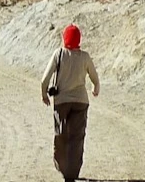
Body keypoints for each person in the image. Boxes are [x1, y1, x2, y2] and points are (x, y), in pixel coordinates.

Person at [40, 24, 100, 182]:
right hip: (81, 101)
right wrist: (95, 89)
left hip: (61, 102)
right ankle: (72, 174)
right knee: (77, 137)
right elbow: (95, 79)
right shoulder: (85, 57)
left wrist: (44, 95)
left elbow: (44, 80)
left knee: (61, 134)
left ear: (64, 38)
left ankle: (61, 166)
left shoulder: (58, 54)